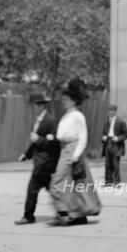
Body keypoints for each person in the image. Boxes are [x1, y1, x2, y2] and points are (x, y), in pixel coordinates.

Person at [48, 78, 101, 226]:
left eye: (66, 99)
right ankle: (76, 214)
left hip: (71, 150)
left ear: (73, 100)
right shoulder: (67, 115)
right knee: (69, 183)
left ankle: (64, 212)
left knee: (57, 182)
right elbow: (62, 134)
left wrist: (76, 155)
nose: (63, 101)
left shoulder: (77, 116)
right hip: (64, 148)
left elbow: (83, 137)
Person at [15, 93, 60, 225]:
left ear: (40, 106)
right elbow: (35, 141)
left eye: (34, 105)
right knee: (51, 189)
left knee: (33, 189)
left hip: (46, 162)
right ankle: (63, 211)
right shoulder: (39, 120)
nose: (33, 108)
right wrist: (26, 154)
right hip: (41, 162)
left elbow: (54, 142)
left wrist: (39, 139)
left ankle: (28, 216)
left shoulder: (50, 121)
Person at [101, 104, 127, 186]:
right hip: (108, 142)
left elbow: (126, 134)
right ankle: (108, 182)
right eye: (109, 110)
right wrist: (103, 137)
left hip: (117, 144)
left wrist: (118, 138)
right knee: (107, 164)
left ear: (115, 111)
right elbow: (103, 132)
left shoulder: (121, 121)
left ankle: (117, 182)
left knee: (115, 164)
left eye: (112, 110)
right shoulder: (106, 121)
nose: (110, 112)